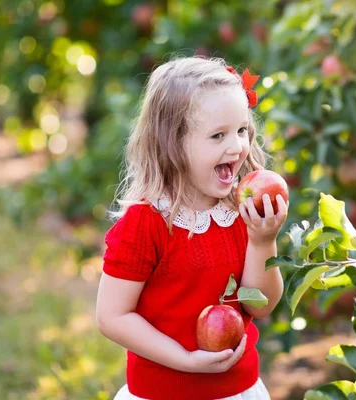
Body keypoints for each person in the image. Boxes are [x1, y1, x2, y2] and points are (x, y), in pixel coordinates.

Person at [95, 56, 287, 400]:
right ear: (173, 143)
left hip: (238, 390)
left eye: (242, 130)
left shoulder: (241, 209)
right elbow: (112, 315)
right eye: (218, 135)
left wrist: (263, 242)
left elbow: (261, 306)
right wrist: (184, 360)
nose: (236, 146)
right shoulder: (148, 223)